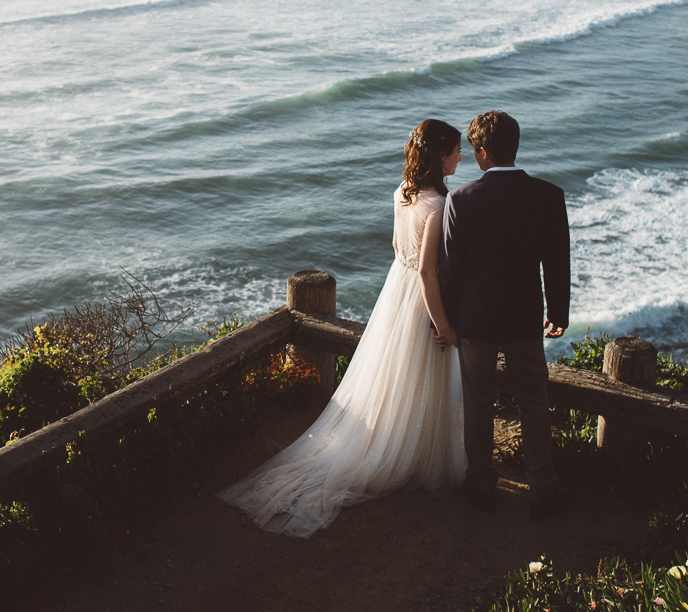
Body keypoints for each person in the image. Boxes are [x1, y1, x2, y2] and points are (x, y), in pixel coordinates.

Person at [217, 119, 466, 537]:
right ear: (440, 156)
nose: (461, 157)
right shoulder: (441, 206)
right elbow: (427, 272)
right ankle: (410, 456)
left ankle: (395, 443)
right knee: (420, 376)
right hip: (422, 297)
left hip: (395, 293)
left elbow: (396, 249)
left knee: (393, 378)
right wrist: (444, 325)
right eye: (456, 150)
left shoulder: (402, 195)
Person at [440, 109, 572, 516]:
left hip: (475, 318)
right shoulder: (548, 195)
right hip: (524, 316)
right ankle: (544, 488)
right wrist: (558, 308)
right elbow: (557, 259)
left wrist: (442, 320)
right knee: (534, 398)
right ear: (515, 147)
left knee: (478, 402)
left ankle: (480, 483)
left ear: (481, 154)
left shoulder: (462, 199)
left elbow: (450, 268)